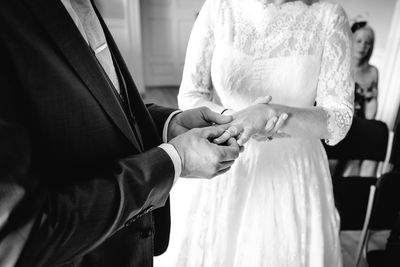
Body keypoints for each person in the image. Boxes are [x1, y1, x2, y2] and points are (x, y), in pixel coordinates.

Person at [0, 0, 244, 266]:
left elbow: (102, 107)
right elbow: (21, 237)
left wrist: (168, 125)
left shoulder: (81, 5)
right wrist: (174, 160)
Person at [155, 0, 354, 266]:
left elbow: (338, 118)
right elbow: (191, 94)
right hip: (222, 158)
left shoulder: (328, 16)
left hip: (293, 172)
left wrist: (268, 115)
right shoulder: (218, 7)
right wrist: (238, 122)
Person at [341, 21, 379, 177]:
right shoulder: (339, 64)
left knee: (353, 174)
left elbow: (371, 114)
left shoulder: (372, 72)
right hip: (338, 126)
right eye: (359, 41)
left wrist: (372, 98)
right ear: (351, 40)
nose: (363, 46)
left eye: (368, 43)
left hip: (358, 129)